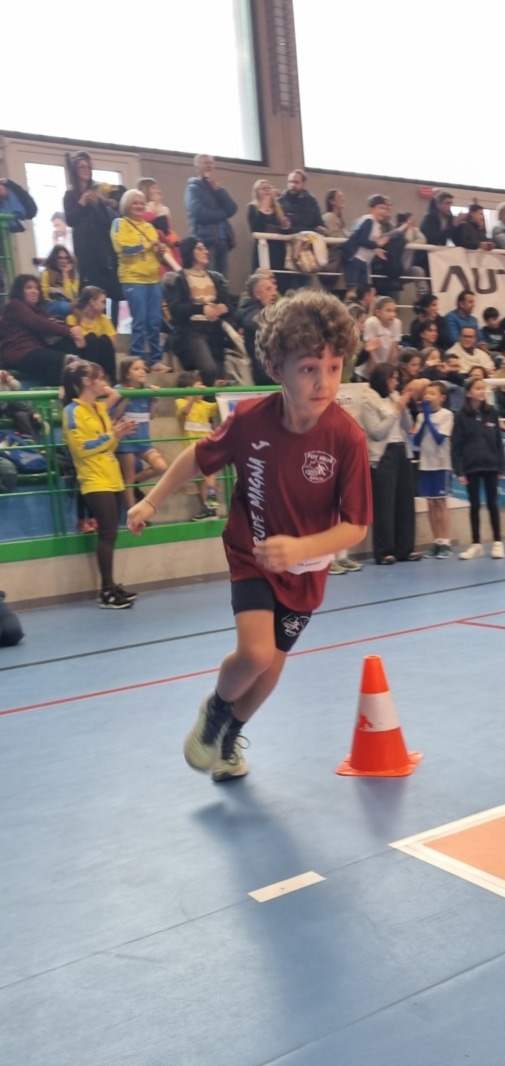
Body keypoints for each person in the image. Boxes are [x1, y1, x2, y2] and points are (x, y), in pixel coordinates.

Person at [127, 290, 372, 781]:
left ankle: (230, 738)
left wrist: (302, 548)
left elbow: (356, 525)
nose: (324, 382)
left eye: (333, 367)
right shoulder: (250, 420)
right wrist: (152, 500)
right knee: (256, 653)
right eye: (309, 368)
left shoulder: (348, 438)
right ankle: (216, 709)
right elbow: (198, 457)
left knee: (271, 669)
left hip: (305, 572)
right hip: (251, 553)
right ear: (276, 367)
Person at [62, 360, 138, 608]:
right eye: (100, 377)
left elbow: (107, 445)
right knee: (107, 533)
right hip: (94, 479)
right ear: (86, 381)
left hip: (111, 476)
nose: (104, 382)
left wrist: (118, 434)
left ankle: (111, 585)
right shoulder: (72, 412)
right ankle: (106, 591)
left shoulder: (99, 409)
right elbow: (81, 448)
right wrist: (111, 435)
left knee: (112, 533)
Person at [354, 362, 420, 566]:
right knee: (385, 504)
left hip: (401, 450)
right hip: (383, 454)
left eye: (397, 379)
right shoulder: (367, 399)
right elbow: (377, 432)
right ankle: (384, 551)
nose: (396, 383)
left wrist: (404, 409)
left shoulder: (394, 397)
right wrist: (395, 411)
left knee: (405, 502)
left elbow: (408, 427)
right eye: (393, 379)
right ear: (383, 379)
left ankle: (405, 548)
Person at [111, 188, 169, 372]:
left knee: (154, 321)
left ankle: (156, 360)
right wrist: (148, 244)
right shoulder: (119, 223)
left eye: (141, 203)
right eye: (135, 203)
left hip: (153, 279)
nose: (138, 206)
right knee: (140, 321)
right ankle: (137, 361)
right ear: (127, 205)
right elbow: (122, 248)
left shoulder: (149, 227)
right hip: (133, 279)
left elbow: (156, 256)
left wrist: (160, 252)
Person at [163, 237, 231, 383]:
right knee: (209, 369)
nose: (206, 252)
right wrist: (201, 309)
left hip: (215, 329)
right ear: (189, 252)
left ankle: (211, 397)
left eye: (205, 248)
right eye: (200, 248)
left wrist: (223, 308)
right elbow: (175, 308)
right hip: (192, 330)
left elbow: (228, 304)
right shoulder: (178, 279)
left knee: (219, 371)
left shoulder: (216, 278)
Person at [451, 375, 505, 559]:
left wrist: (501, 465)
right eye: (477, 388)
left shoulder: (492, 412)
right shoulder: (460, 417)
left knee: (492, 503)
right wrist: (459, 470)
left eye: (483, 388)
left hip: (491, 465)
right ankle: (476, 544)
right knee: (474, 505)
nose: (482, 391)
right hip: (471, 466)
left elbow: (498, 440)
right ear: (468, 393)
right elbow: (456, 446)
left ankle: (498, 542)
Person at [63, 152, 122, 314]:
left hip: (103, 250)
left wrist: (100, 204)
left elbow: (106, 222)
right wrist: (82, 203)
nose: (85, 170)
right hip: (85, 249)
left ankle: (110, 324)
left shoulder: (98, 193)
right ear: (74, 170)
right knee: (90, 290)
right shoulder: (70, 195)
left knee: (109, 290)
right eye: (81, 166)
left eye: (88, 167)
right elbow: (70, 220)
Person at [108, 357, 168, 509]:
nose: (142, 372)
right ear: (127, 374)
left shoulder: (146, 389)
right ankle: (132, 511)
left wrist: (154, 400)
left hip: (144, 441)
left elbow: (151, 416)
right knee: (128, 476)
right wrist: (126, 397)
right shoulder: (119, 388)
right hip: (126, 442)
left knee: (161, 466)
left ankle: (132, 482)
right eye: (136, 369)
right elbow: (114, 416)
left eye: (143, 368)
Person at [0, 274, 83, 383]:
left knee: (72, 349)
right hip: (19, 353)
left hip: (35, 350)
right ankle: (54, 391)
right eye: (29, 288)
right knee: (61, 361)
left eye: (36, 288)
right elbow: (40, 324)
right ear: (19, 290)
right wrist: (70, 331)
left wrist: (74, 329)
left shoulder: (38, 310)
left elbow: (53, 322)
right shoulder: (15, 305)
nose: (34, 291)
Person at [412, 382, 454, 558]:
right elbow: (416, 441)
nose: (428, 396)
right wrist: (425, 417)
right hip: (426, 464)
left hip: (441, 464)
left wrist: (428, 418)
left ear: (442, 397)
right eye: (426, 393)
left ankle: (446, 542)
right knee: (430, 503)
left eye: (432, 393)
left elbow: (439, 439)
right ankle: (436, 540)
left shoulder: (447, 415)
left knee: (440, 503)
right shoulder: (421, 416)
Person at [174, 372, 219, 518]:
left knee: (207, 471)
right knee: (200, 480)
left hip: (207, 445)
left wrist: (218, 389)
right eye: (199, 386)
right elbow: (184, 412)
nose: (203, 389)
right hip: (191, 447)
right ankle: (208, 508)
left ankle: (211, 497)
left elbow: (218, 407)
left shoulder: (204, 405)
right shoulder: (180, 402)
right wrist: (193, 397)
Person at [184, 155, 238, 277]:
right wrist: (224, 214)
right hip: (205, 242)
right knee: (209, 277)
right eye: (205, 163)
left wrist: (217, 189)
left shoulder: (217, 188)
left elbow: (232, 208)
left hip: (222, 241)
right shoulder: (193, 188)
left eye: (211, 163)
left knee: (223, 280)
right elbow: (200, 214)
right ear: (197, 168)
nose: (209, 166)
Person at [66, 286, 117, 385]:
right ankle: (91, 376)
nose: (104, 306)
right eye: (103, 302)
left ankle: (112, 379)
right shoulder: (72, 318)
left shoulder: (104, 319)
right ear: (92, 301)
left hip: (102, 359)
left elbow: (112, 344)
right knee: (91, 338)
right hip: (82, 359)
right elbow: (78, 344)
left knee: (104, 339)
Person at [234, 272, 278, 385]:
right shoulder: (256, 319)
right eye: (268, 289)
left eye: (273, 288)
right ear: (257, 294)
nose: (274, 293)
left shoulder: (258, 313)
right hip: (265, 374)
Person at [342, 195, 390, 290]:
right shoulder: (368, 220)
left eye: (385, 208)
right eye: (380, 208)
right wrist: (376, 244)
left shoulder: (376, 224)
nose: (383, 211)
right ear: (371, 209)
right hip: (356, 258)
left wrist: (376, 249)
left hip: (364, 261)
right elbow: (362, 240)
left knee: (365, 291)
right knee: (353, 289)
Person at [247, 179, 290, 275]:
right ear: (257, 192)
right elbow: (255, 229)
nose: (267, 191)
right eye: (263, 188)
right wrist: (263, 210)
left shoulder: (278, 208)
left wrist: (285, 225)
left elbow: (286, 232)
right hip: (262, 249)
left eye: (268, 188)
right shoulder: (252, 208)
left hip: (278, 250)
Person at [138, 178, 181, 270]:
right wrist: (154, 209)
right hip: (151, 246)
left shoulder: (165, 209)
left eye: (157, 188)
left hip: (166, 245)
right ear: (145, 190)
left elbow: (168, 229)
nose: (158, 191)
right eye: (154, 188)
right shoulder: (141, 209)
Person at [356, 297, 401, 379]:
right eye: (388, 311)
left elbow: (394, 350)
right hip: (368, 370)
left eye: (394, 311)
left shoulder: (397, 323)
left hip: (386, 367)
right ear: (378, 312)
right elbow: (371, 352)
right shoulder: (372, 322)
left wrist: (387, 371)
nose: (392, 314)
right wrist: (378, 372)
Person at [279, 169, 324, 235]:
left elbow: (319, 224)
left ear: (303, 184)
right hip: (289, 238)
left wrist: (321, 229)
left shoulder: (312, 203)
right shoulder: (280, 202)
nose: (292, 185)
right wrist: (284, 226)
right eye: (290, 182)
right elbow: (275, 226)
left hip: (309, 238)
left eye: (296, 182)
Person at [40, 246, 79, 318]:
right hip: (51, 304)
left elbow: (72, 297)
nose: (63, 261)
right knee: (65, 306)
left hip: (68, 304)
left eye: (66, 258)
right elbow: (44, 297)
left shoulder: (74, 276)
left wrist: (65, 274)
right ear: (54, 259)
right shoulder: (46, 274)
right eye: (60, 258)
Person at [323, 189, 349, 280]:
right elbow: (336, 237)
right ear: (332, 201)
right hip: (334, 258)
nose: (343, 199)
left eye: (343, 197)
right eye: (339, 197)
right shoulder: (329, 217)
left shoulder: (340, 220)